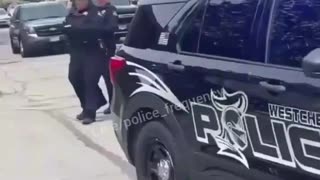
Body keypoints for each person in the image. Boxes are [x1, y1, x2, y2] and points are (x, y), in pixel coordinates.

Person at [63, 0, 110, 125]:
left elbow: (96, 29)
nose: (79, 3)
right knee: (74, 77)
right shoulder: (72, 14)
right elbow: (66, 28)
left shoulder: (96, 13)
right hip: (76, 51)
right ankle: (93, 102)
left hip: (93, 50)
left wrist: (77, 28)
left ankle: (90, 113)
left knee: (89, 79)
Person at [95, 0, 118, 114]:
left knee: (108, 78)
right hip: (93, 50)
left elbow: (112, 26)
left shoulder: (110, 10)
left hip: (107, 49)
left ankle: (113, 104)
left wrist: (95, 28)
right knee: (87, 77)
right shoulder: (92, 10)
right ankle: (98, 101)